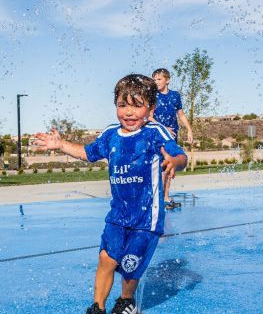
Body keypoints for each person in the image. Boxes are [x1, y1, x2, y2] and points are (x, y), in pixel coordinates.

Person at [34, 74, 187, 314]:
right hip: (117, 215)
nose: (129, 112)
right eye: (122, 105)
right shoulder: (111, 134)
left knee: (129, 266)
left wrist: (174, 161)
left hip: (146, 219)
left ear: (151, 108)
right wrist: (61, 145)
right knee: (106, 258)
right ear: (115, 105)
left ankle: (126, 300)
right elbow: (88, 152)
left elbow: (180, 155)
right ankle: (97, 307)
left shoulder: (155, 132)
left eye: (137, 105)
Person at [150, 68, 193, 209]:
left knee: (169, 167)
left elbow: (180, 114)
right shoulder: (153, 96)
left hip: (172, 137)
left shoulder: (175, 96)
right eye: (154, 79)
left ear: (167, 80)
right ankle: (158, 197)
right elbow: (149, 117)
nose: (156, 82)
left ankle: (166, 196)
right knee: (160, 167)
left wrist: (189, 129)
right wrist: (163, 128)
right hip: (158, 136)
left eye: (159, 79)